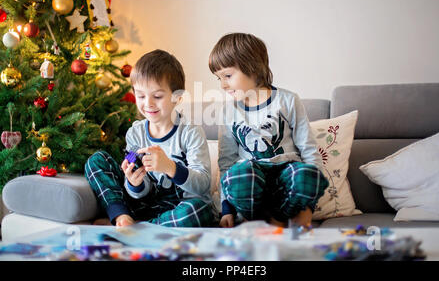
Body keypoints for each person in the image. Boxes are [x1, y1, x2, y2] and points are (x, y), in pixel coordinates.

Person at [209, 33, 329, 228]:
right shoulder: (229, 111)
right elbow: (226, 162)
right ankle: (257, 221)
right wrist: (227, 209)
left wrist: (308, 204)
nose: (223, 85)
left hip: (286, 180)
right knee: (239, 173)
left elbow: (308, 149)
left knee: (309, 173)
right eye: (219, 78)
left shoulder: (288, 100)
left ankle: (283, 220)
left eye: (228, 76)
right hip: (253, 185)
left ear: (252, 68)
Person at [85, 49, 214, 227]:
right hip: (145, 206)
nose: (148, 103)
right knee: (97, 160)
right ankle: (122, 216)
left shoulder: (191, 132)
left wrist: (170, 167)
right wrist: (133, 182)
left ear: (177, 98)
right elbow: (135, 177)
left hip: (180, 207)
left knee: (197, 210)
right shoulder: (135, 133)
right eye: (141, 96)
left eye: (158, 96)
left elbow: (202, 185)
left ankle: (142, 227)